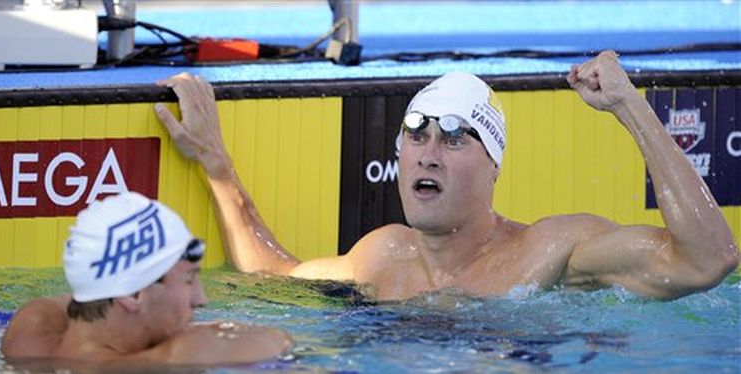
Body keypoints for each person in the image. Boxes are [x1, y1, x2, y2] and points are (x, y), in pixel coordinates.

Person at [154, 50, 738, 301]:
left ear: (494, 168)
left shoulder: (551, 251)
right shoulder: (382, 257)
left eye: (457, 138)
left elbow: (706, 261)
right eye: (417, 135)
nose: (429, 153)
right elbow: (272, 275)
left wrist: (630, 107)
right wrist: (217, 164)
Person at [1, 192, 293, 365]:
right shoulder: (178, 357)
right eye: (189, 280)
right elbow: (277, 340)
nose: (201, 299)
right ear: (134, 294)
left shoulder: (28, 330)